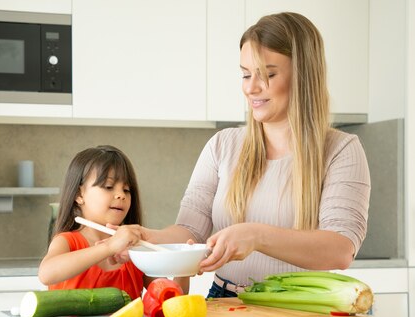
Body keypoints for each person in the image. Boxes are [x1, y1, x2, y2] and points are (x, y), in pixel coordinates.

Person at [142, 12, 371, 298]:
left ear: (303, 75)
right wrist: (145, 238)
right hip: (224, 302)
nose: (250, 88)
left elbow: (340, 249)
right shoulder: (222, 146)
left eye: (267, 75)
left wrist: (256, 236)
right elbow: (190, 232)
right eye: (245, 74)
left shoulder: (341, 150)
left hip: (297, 309)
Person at [38, 145, 189, 299]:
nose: (120, 195)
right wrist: (109, 247)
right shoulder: (67, 242)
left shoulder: (135, 251)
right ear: (79, 194)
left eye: (126, 190)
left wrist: (185, 267)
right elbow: (46, 274)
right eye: (109, 187)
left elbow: (171, 300)